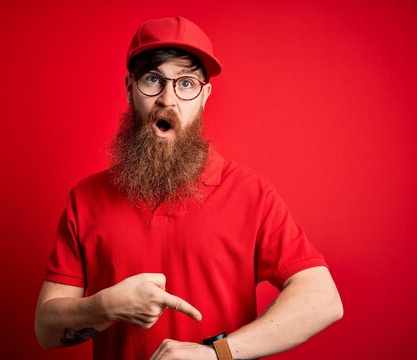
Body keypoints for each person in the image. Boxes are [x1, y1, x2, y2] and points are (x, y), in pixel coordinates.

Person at [35, 16, 343, 360]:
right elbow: (46, 331)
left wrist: (217, 354)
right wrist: (106, 305)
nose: (167, 99)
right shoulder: (86, 199)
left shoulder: (251, 194)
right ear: (129, 89)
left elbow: (323, 299)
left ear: (204, 96)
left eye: (185, 83)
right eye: (153, 79)